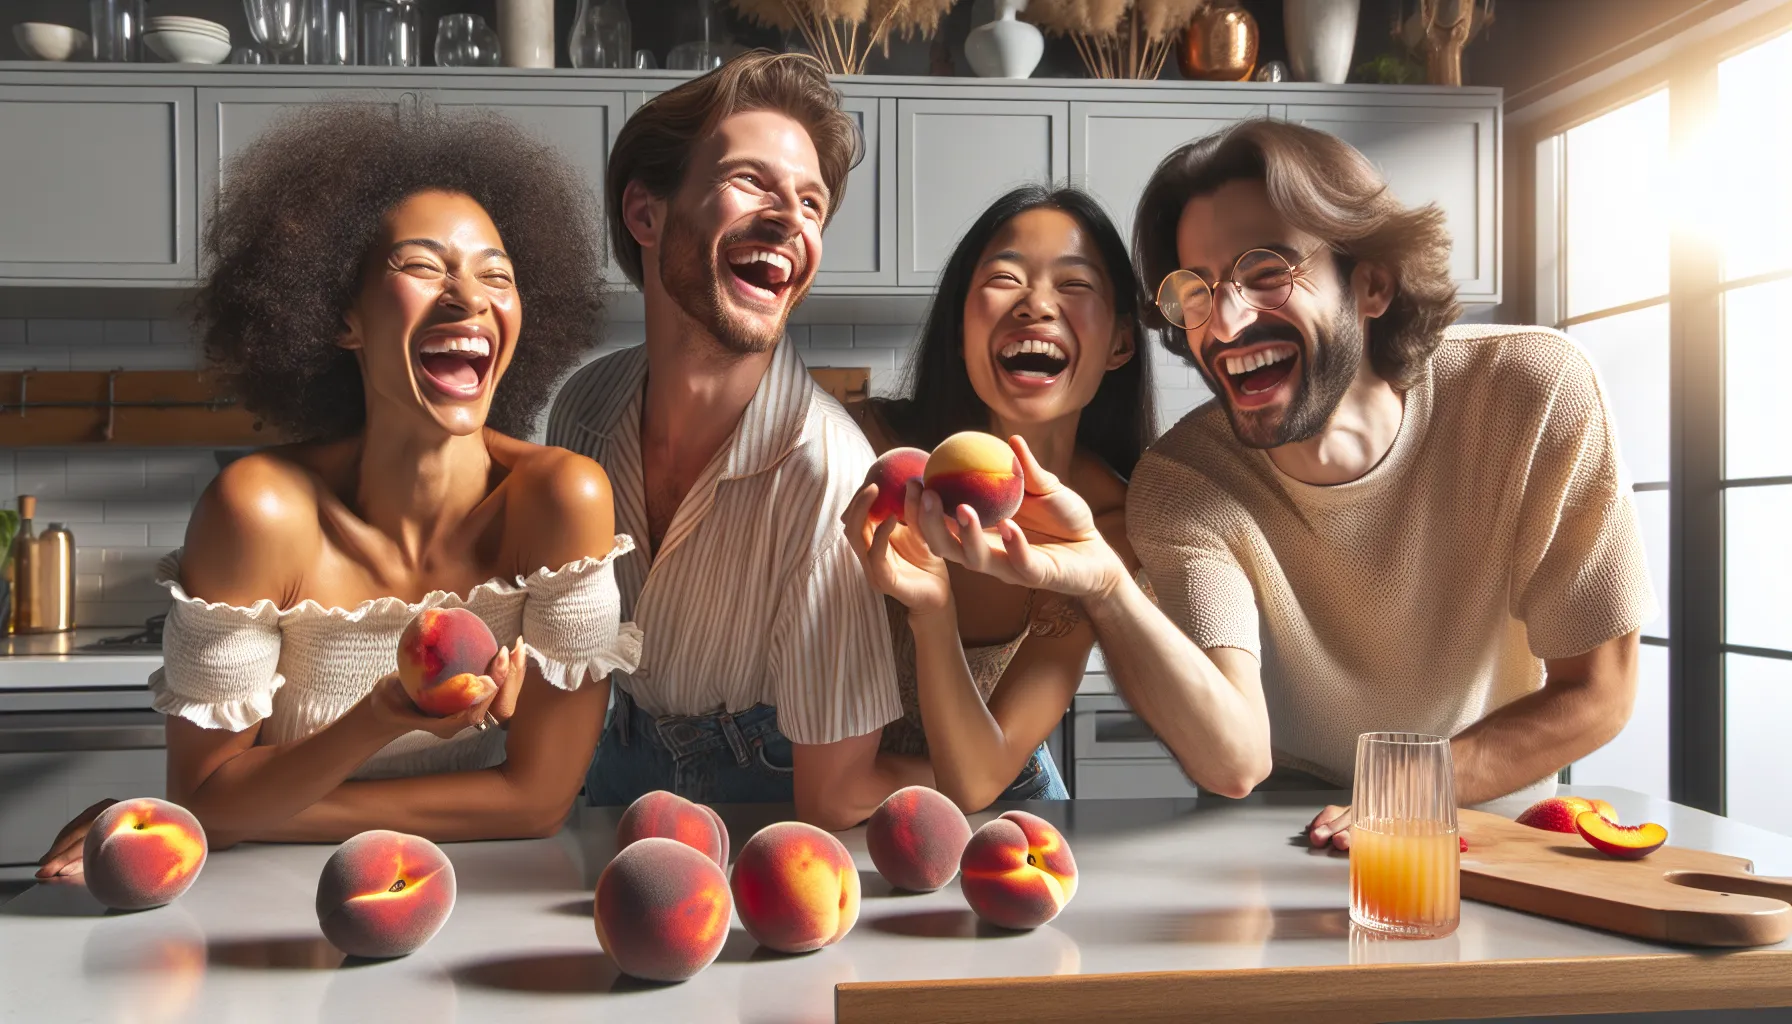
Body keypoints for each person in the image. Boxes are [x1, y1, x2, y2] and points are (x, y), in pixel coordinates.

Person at [36, 104, 639, 877]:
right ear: (342, 317)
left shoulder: (560, 502)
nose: (469, 297)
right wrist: (382, 717)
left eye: (498, 275)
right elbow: (204, 796)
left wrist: (233, 814)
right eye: (423, 266)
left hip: (490, 906)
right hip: (255, 920)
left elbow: (537, 805)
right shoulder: (258, 512)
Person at [1121, 118, 1654, 848]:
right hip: (1294, 832)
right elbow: (1230, 752)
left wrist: (1407, 792)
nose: (1225, 320)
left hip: (1493, 820)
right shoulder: (1184, 481)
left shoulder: (1533, 391)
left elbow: (1599, 690)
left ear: (1371, 283)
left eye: (1268, 272)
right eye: (1198, 290)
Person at [545, 51, 920, 830]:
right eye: (752, 180)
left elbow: (836, 796)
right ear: (645, 214)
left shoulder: (828, 474)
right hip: (615, 764)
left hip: (775, 800)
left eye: (812, 203)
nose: (791, 218)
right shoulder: (582, 412)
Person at [840, 184, 1155, 812]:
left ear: (1121, 343)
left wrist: (932, 613)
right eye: (1005, 278)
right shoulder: (868, 447)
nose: (1036, 304)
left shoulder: (1108, 530)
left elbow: (980, 777)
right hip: (822, 800)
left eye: (1074, 285)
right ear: (961, 330)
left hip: (1001, 807)